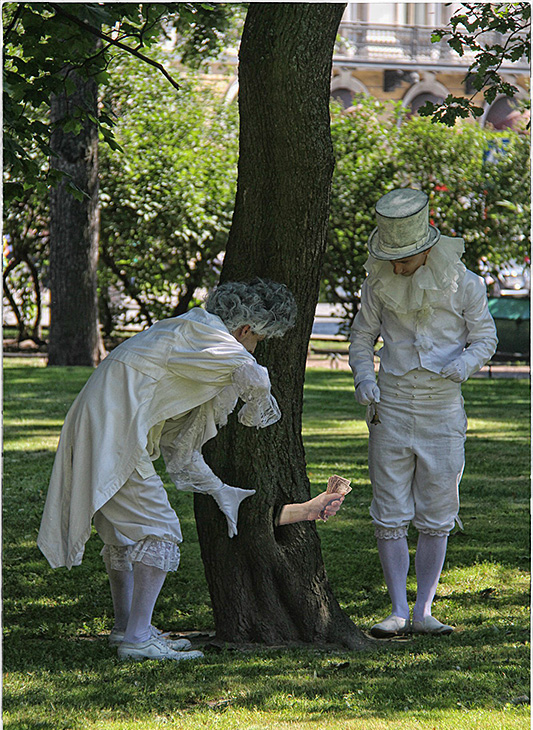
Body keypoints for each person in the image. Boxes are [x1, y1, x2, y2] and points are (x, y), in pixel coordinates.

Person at [38, 278, 344, 662]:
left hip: (106, 422)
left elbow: (181, 449)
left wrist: (220, 490)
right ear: (247, 329)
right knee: (159, 530)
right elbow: (254, 379)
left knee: (126, 535)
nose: (254, 347)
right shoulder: (214, 341)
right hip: (114, 429)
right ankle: (136, 639)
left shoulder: (193, 332)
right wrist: (255, 405)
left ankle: (128, 628)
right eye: (258, 339)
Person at [349, 188, 497, 638]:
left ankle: (424, 609)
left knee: (438, 506)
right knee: (389, 507)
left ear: (426, 249)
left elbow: (485, 338)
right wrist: (364, 379)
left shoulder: (464, 283)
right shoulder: (379, 283)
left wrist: (464, 365)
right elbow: (361, 338)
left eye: (404, 259)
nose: (396, 267)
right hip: (390, 405)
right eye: (390, 258)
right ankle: (396, 608)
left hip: (442, 407)